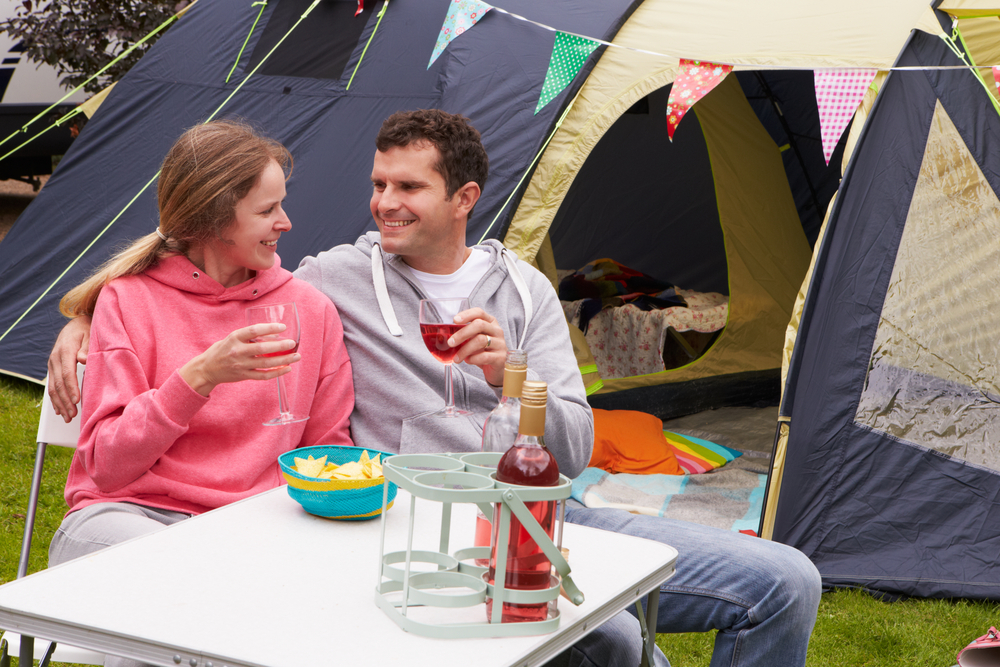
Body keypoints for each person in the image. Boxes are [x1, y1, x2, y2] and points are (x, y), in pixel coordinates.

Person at [49, 110, 821, 667]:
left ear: (464, 198)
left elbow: (577, 449)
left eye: (408, 187)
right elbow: (181, 274)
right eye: (379, 183)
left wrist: (512, 379)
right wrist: (81, 315)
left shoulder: (524, 292)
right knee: (617, 639)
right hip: (425, 523)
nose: (384, 203)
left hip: (542, 512)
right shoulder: (333, 281)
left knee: (788, 578)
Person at [47, 120, 354, 634]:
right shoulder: (129, 300)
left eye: (281, 203)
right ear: (214, 218)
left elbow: (327, 451)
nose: (286, 222)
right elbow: (106, 467)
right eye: (266, 210)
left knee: (195, 596)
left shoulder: (309, 311)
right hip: (126, 519)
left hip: (249, 531)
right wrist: (198, 378)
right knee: (168, 583)